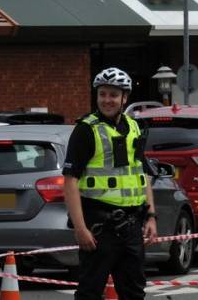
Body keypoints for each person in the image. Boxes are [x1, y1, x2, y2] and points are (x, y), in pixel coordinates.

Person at [62, 67, 158, 300]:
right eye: (102, 94)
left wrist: (151, 216)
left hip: (132, 224)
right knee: (90, 292)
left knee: (134, 292)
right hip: (99, 226)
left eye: (113, 95)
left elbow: (141, 173)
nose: (107, 100)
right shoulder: (86, 129)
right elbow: (70, 180)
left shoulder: (134, 127)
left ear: (125, 98)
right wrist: (80, 228)